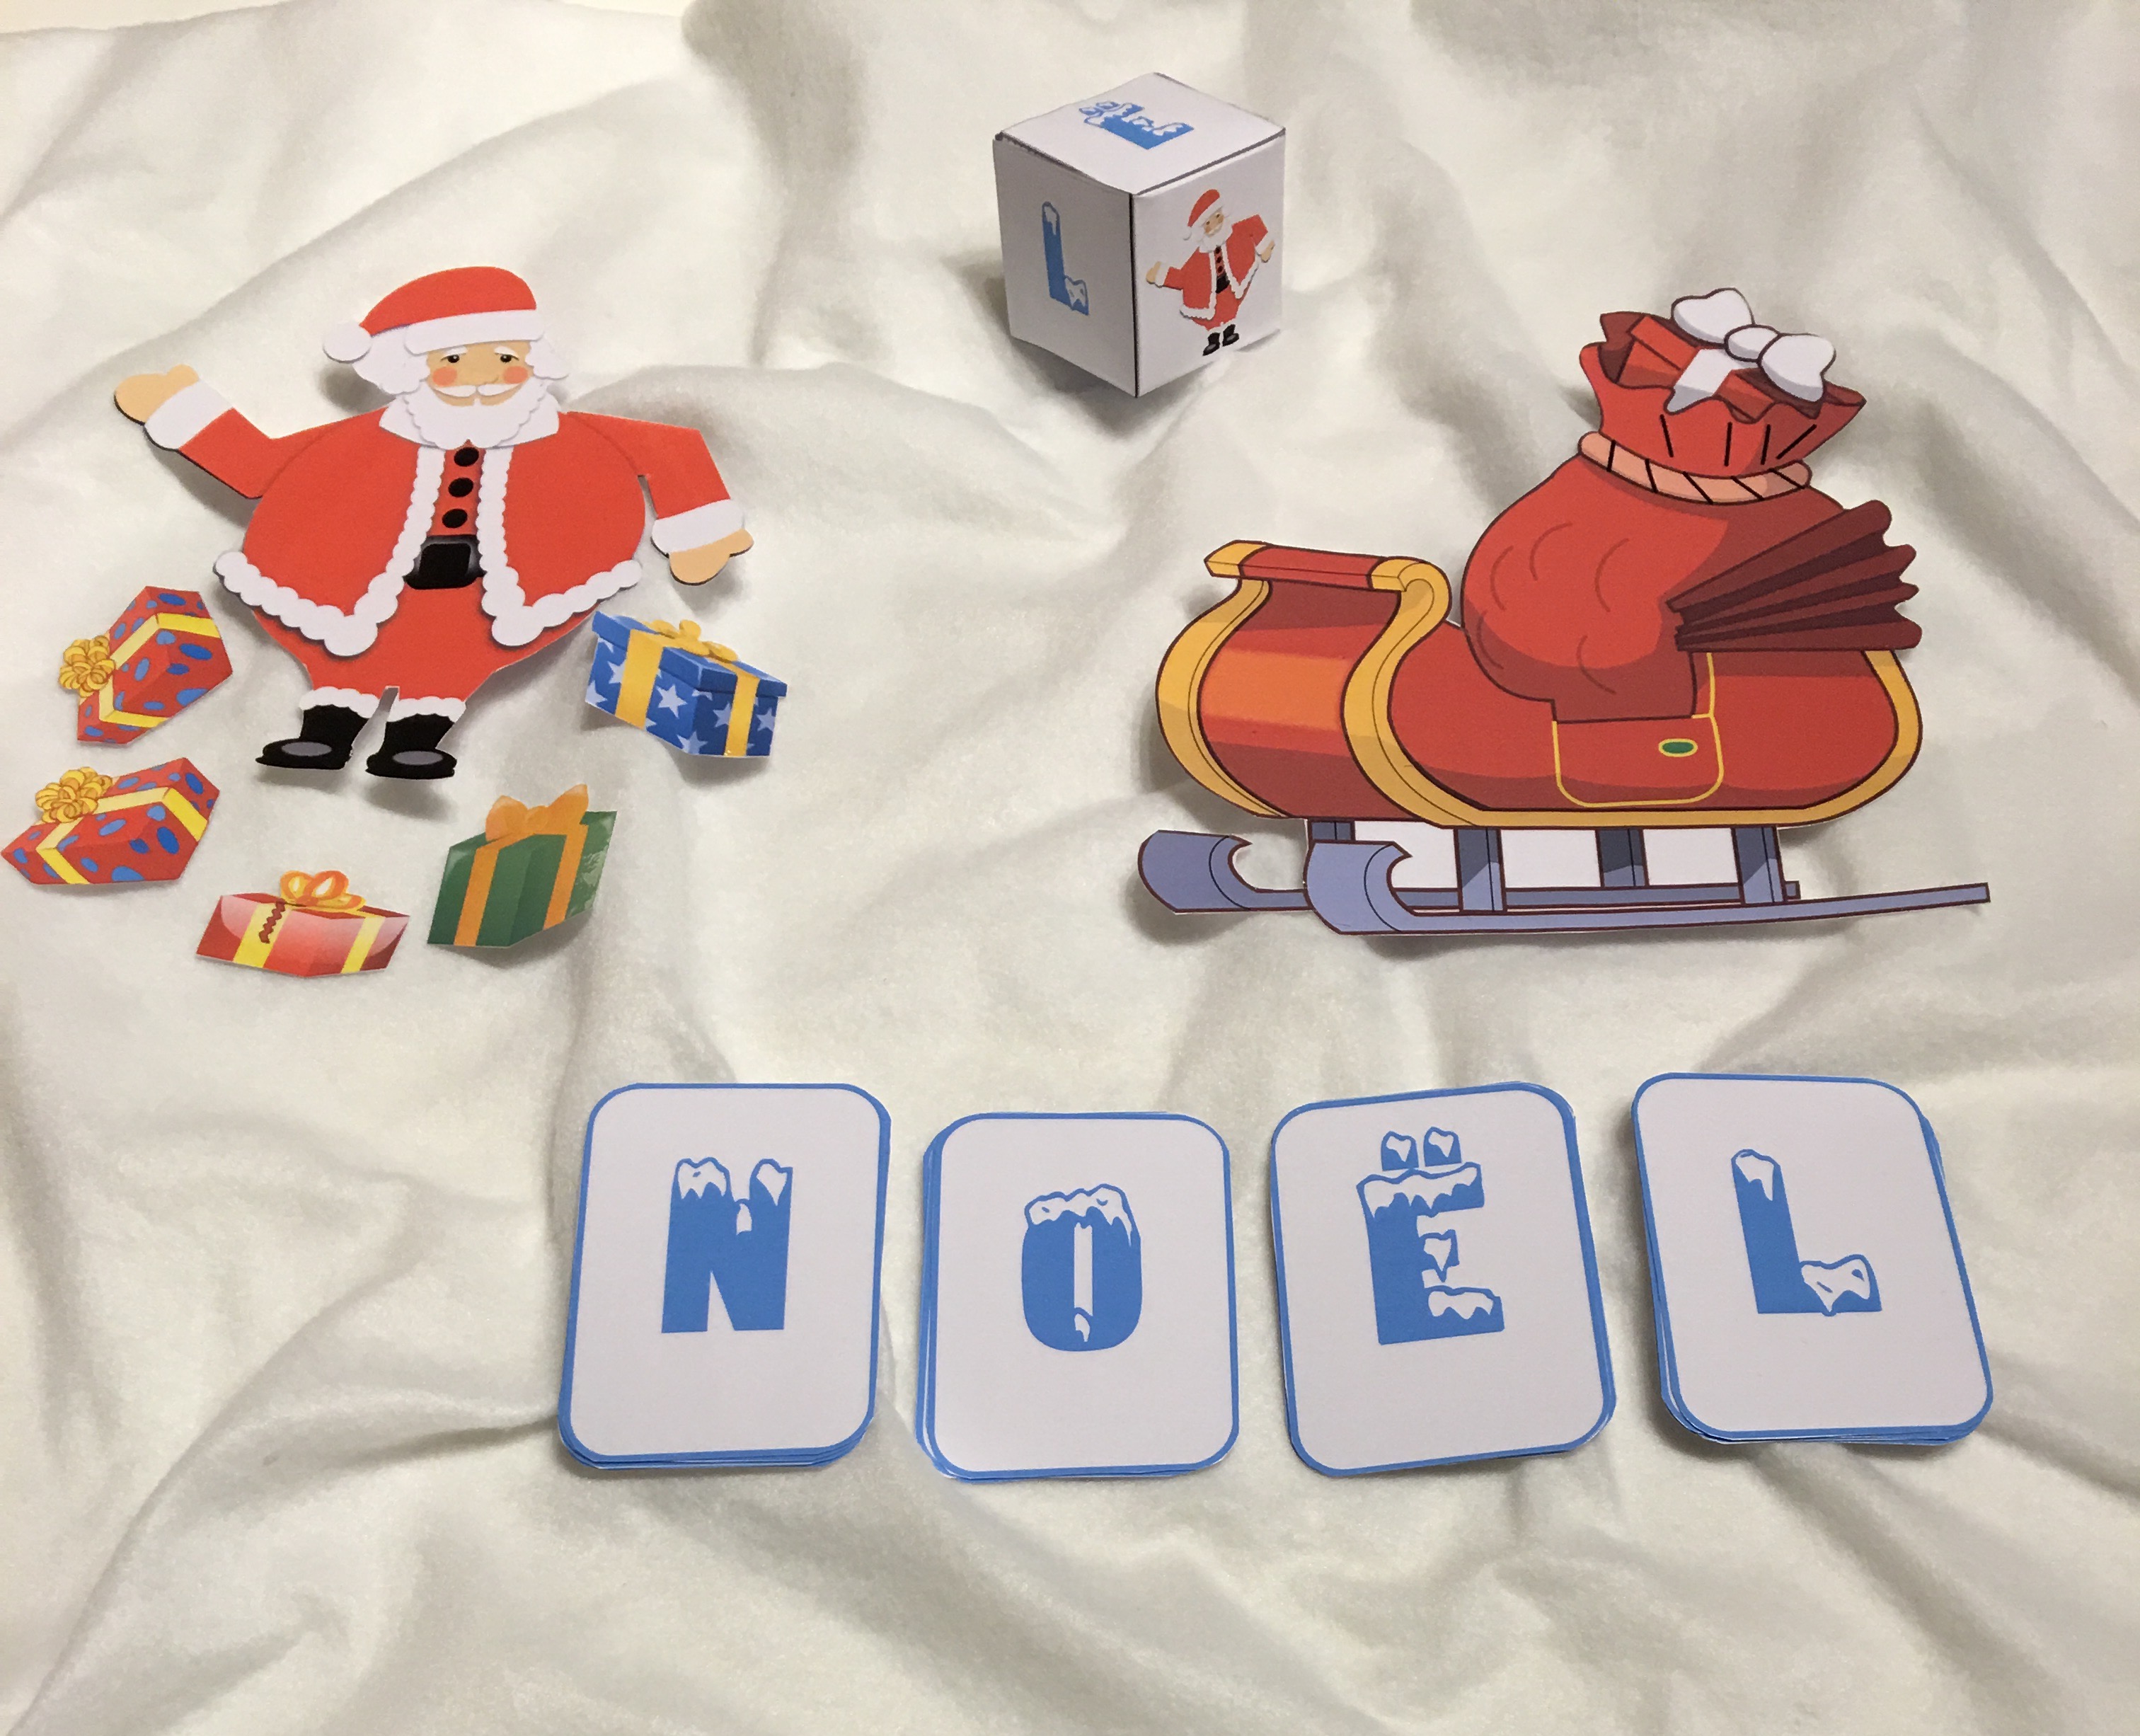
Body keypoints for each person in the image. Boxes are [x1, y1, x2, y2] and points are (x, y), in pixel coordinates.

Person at [115, 266, 751, 779]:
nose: (483, 377)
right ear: (411, 368)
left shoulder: (571, 441)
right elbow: (261, 467)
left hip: (494, 591)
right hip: (369, 577)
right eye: (454, 359)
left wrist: (702, 528)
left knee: (452, 663)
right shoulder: (365, 442)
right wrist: (184, 412)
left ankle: (415, 742)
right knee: (348, 658)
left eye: (505, 356)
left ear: (533, 360)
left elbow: (671, 447)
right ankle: (327, 733)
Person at [1144, 189, 1275, 354]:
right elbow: (1184, 276)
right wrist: (1161, 274)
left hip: (1232, 286)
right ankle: (1213, 339)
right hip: (1214, 293)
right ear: (1202, 229)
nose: (1214, 225)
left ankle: (1229, 333)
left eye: (1217, 217)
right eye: (1208, 223)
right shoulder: (1200, 257)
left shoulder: (1236, 233)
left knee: (1229, 309)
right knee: (1213, 316)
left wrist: (1265, 245)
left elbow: (1253, 224)